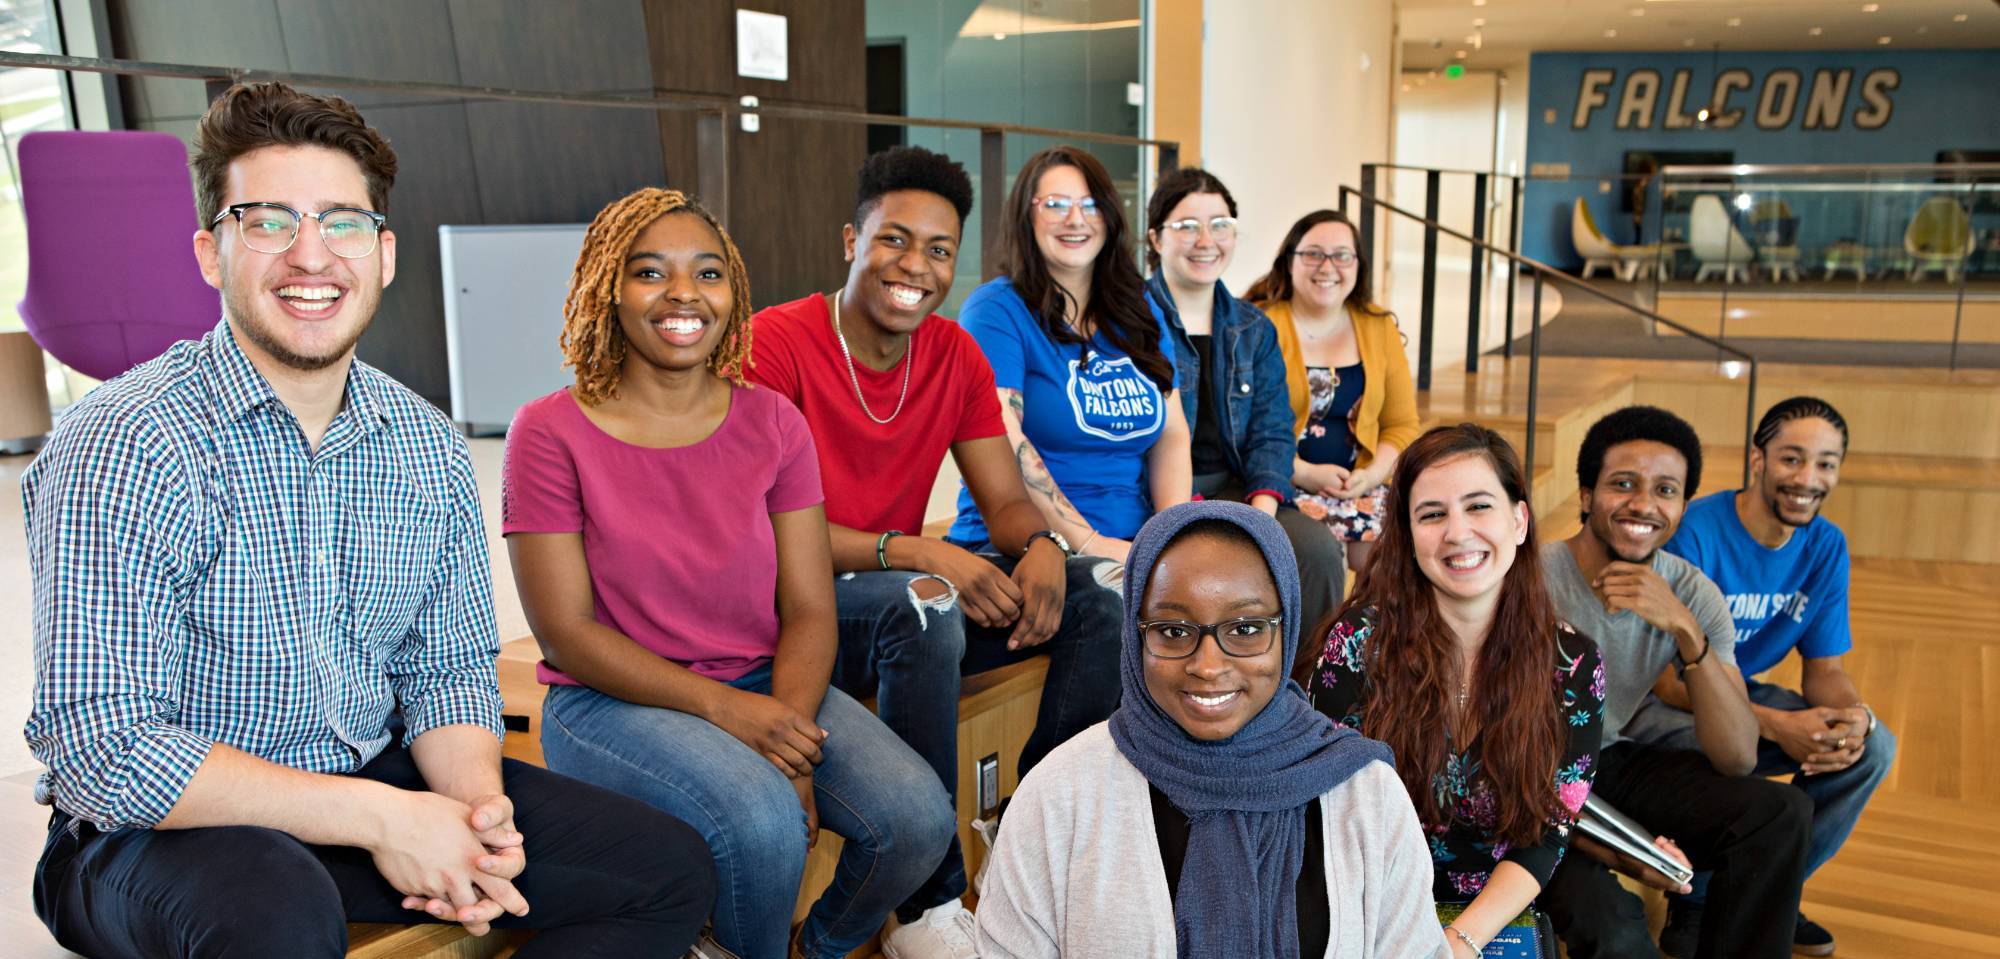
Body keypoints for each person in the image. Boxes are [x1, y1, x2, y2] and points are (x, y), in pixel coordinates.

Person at [21, 82, 714, 959]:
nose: (311, 256)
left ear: (384, 254)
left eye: (342, 222)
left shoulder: (423, 442)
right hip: (151, 831)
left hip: (359, 779)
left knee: (665, 868)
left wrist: (471, 813)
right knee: (274, 916)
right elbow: (100, 743)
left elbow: (447, 669)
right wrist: (383, 817)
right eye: (268, 221)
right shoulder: (125, 440)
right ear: (210, 251)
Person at [503, 187, 954, 959]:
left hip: (759, 683)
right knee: (762, 820)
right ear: (608, 287)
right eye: (651, 272)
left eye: (707, 273)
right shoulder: (548, 430)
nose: (684, 294)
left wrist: (785, 735)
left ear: (733, 292)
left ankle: (810, 951)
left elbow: (810, 604)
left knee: (918, 820)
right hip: (609, 703)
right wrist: (741, 724)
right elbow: (567, 634)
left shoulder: (773, 420)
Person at [747, 145, 1124, 958]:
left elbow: (1005, 500)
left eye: (939, 249)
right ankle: (926, 902)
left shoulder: (952, 354)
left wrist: (1045, 546)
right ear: (852, 240)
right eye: (894, 240)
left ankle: (1032, 837)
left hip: (900, 588)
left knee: (1108, 592)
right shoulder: (775, 343)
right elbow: (762, 527)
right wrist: (914, 550)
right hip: (791, 605)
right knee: (927, 600)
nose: (915, 265)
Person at [975, 501, 1448, 959]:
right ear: (1135, 633)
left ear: (1287, 630)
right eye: (1173, 631)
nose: (1207, 665)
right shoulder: (1060, 796)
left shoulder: (1364, 794)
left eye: (1245, 629)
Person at [1305, 424, 1604, 957]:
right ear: (1408, 534)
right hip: (1370, 894)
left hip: (1496, 901)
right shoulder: (1355, 644)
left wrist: (1461, 942)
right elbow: (1332, 813)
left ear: (1518, 520)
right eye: (1433, 514)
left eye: (1479, 506)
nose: (1458, 533)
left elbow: (1547, 833)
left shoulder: (1575, 664)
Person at [1538, 405, 1812, 959]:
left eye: (1666, 490)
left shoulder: (1693, 593)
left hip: (1608, 761)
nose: (1643, 504)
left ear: (1683, 507)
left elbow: (1736, 756)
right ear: (1587, 495)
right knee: (1615, 927)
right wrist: (1617, 852)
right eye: (1623, 485)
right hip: (1527, 781)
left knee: (1781, 814)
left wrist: (1687, 632)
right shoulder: (1528, 579)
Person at [1632, 397, 1894, 958]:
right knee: (1733, 748)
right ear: (1758, 459)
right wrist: (1776, 725)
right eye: (1792, 459)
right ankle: (1702, 901)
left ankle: (1765, 890)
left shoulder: (1826, 545)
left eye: (1825, 463)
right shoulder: (1696, 533)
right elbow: (1666, 684)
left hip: (1737, 693)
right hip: (1664, 702)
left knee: (1873, 749)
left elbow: (1825, 671)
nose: (1807, 478)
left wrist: (1852, 718)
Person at [1142, 167, 1347, 671]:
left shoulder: (1252, 327)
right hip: (1151, 493)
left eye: (1220, 224)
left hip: (1237, 489)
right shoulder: (1129, 320)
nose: (1205, 240)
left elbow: (1273, 430)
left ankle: (1304, 699)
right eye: (1187, 225)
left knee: (1317, 552)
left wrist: (1262, 515)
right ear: (1155, 237)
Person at [949, 145, 1193, 563]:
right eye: (1056, 204)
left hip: (1131, 540)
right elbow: (1006, 447)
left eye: (1090, 204)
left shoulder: (1138, 307)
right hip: (1027, 546)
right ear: (1026, 215)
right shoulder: (995, 311)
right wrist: (1093, 546)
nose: (1075, 219)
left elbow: (1171, 435)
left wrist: (1167, 542)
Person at [1246, 209, 1421, 576]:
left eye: (1342, 255)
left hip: (1362, 484)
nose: (1328, 266)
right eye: (1313, 254)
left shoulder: (1379, 327)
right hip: (1284, 483)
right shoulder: (1256, 325)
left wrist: (1371, 475)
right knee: (1325, 559)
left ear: (1358, 266)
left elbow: (1402, 425)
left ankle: (1372, 635)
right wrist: (1304, 473)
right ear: (1289, 262)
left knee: (1405, 558)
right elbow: (1242, 429)